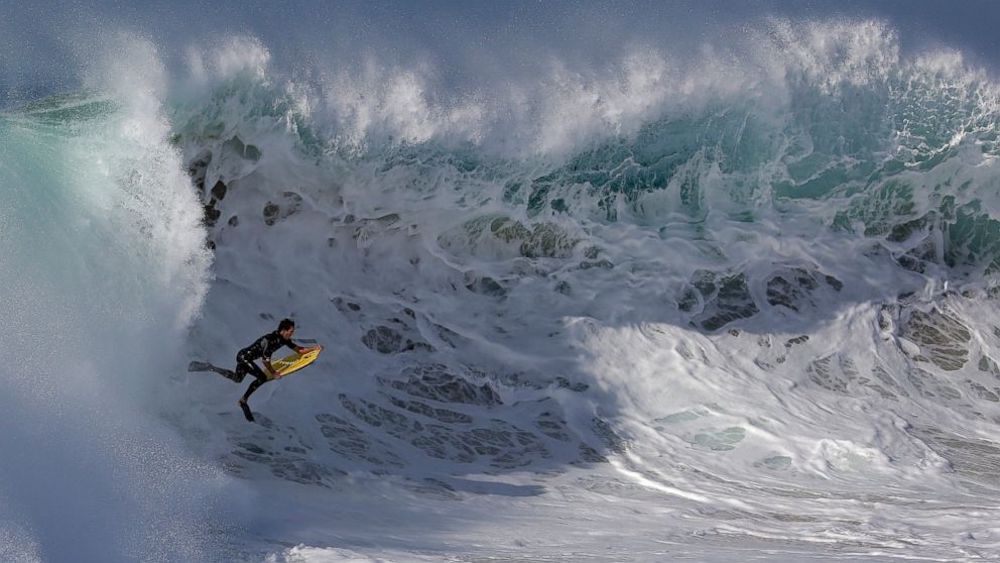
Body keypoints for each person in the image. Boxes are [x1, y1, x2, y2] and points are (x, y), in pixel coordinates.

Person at [231, 318, 322, 422]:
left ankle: (212, 368)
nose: (291, 334)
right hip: (244, 357)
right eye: (291, 332)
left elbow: (299, 350)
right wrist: (274, 373)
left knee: (237, 378)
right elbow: (265, 361)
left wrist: (315, 348)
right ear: (283, 330)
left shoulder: (284, 339)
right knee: (262, 378)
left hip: (245, 357)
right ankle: (243, 400)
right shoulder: (271, 340)